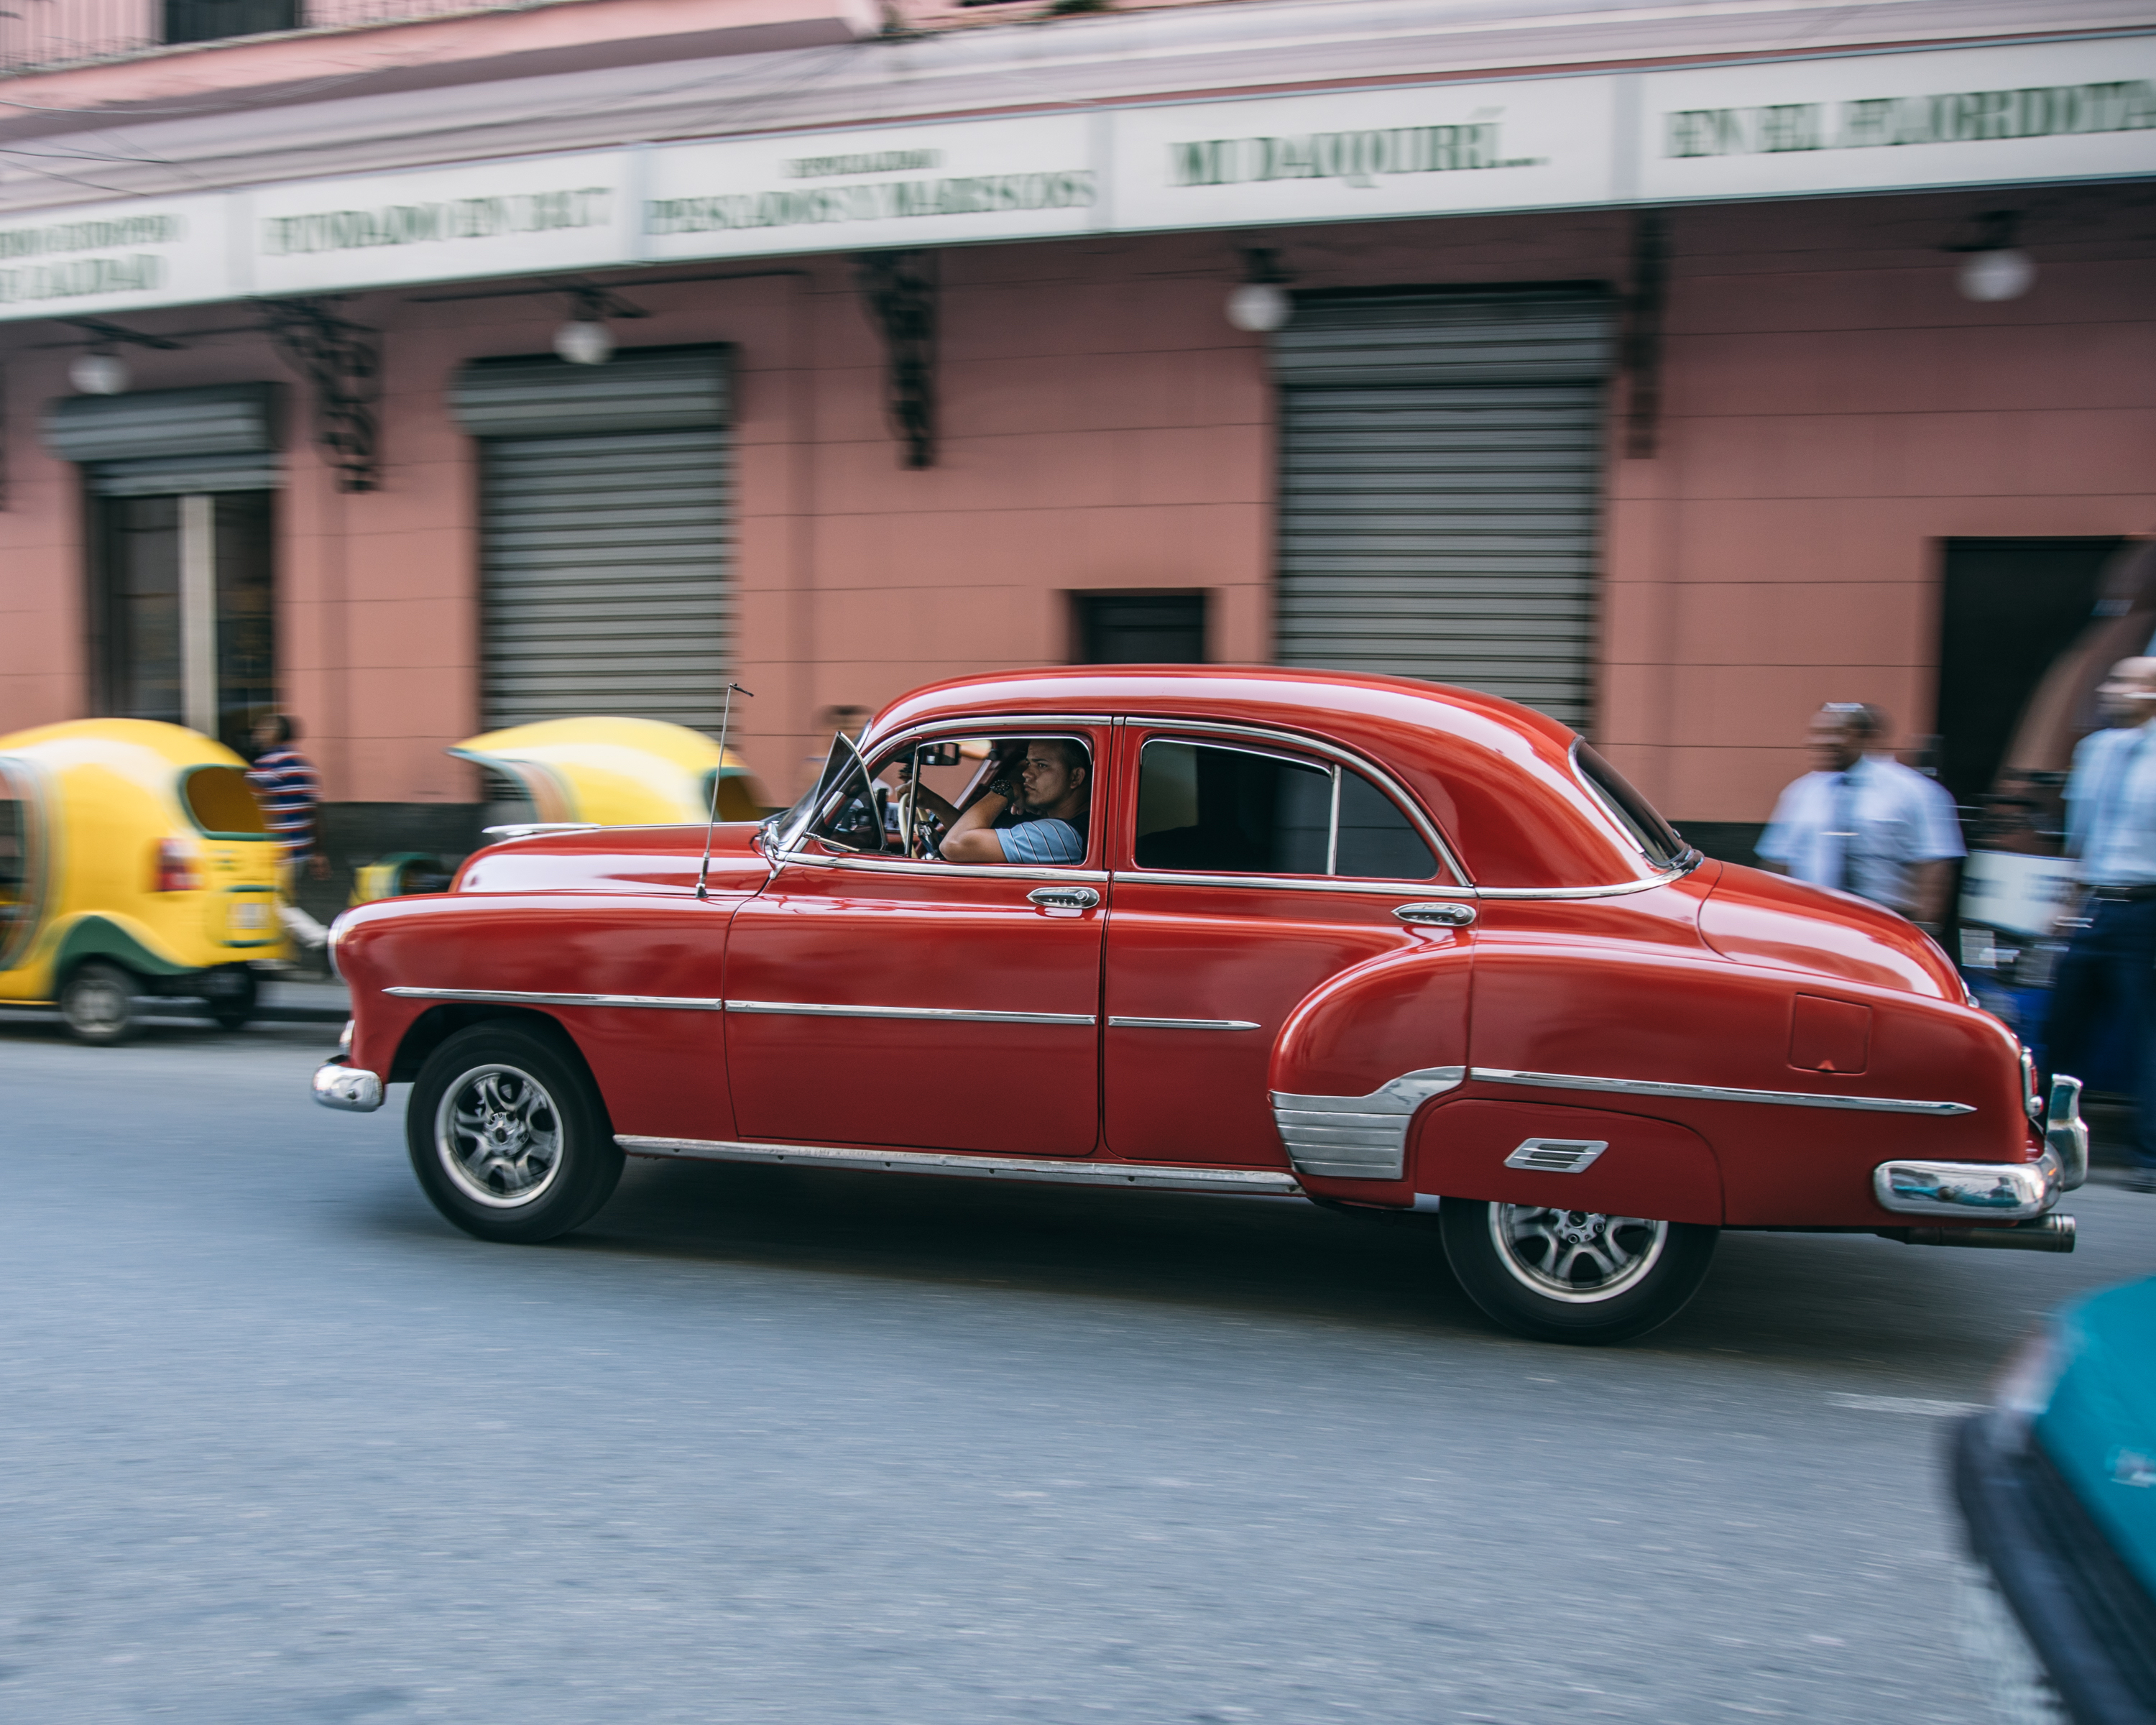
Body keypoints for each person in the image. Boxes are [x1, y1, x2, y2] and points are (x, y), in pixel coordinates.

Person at [2045, 656, 2156, 1195]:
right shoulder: (2095, 751)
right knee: (2065, 1023)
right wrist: (2068, 900)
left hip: (2148, 906)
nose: (2112, 689)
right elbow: (2081, 835)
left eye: (2126, 682)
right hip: (2096, 905)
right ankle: (2035, 1135)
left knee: (2148, 1033)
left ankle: (2150, 1157)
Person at [1756, 702, 1964, 934]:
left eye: (1836, 733)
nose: (1822, 742)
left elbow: (1935, 868)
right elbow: (1777, 865)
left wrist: (1923, 934)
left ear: (1866, 736)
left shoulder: (1917, 792)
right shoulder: (1801, 793)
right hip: (1816, 925)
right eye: (1818, 734)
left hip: (1885, 930)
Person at [898, 739, 1089, 865]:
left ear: (1075, 777)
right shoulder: (1058, 828)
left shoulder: (1060, 836)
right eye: (1029, 763)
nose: (1026, 773)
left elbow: (955, 843)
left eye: (1042, 765)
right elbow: (970, 834)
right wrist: (935, 803)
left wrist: (1006, 790)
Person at [247, 712, 331, 952]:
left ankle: (320, 938)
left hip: (275, 851)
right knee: (278, 901)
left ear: (276, 734)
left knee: (269, 903)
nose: (257, 734)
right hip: (300, 850)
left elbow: (248, 808)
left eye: (263, 729)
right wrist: (318, 853)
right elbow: (315, 813)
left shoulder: (265, 767)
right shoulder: (306, 767)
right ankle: (268, 958)